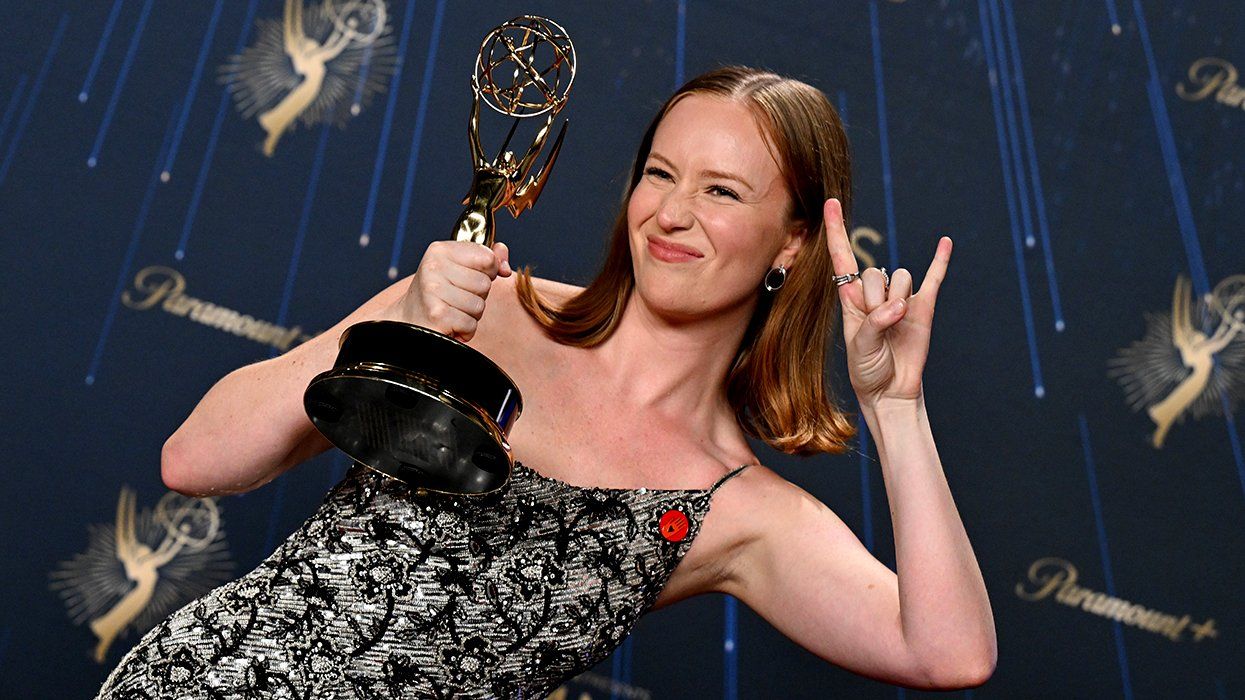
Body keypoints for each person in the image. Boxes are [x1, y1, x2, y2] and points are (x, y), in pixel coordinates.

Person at [97, 66, 995, 698]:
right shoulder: (490, 308)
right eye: (659, 174)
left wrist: (895, 406)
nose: (672, 214)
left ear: (793, 242)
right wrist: (404, 317)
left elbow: (948, 654)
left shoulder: (735, 509)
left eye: (723, 192)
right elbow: (195, 458)